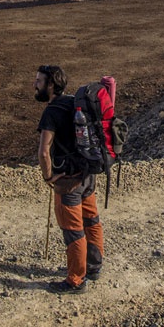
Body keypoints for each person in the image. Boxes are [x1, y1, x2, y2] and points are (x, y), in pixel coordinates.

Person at [34, 64, 104, 294]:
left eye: (39, 81)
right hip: (87, 174)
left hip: (69, 182)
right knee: (91, 220)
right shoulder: (76, 102)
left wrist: (48, 177)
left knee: (73, 231)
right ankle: (94, 266)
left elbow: (44, 151)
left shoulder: (51, 112)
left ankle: (76, 280)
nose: (36, 84)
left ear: (51, 84)